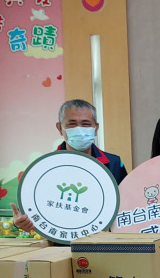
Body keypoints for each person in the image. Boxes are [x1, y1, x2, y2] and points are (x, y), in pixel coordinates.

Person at [12, 99, 128, 231]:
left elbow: (127, 205)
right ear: (60, 128)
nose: (79, 129)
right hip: (60, 240)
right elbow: (28, 214)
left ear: (96, 128)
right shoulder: (44, 168)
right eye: (72, 124)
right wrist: (21, 223)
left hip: (103, 240)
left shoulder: (114, 163)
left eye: (86, 124)